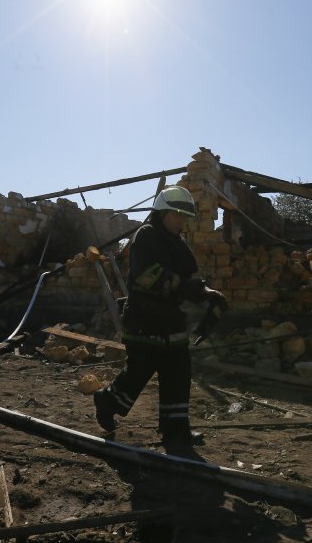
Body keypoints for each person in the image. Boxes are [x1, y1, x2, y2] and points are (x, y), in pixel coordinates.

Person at [93, 185, 226, 454]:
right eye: (176, 215)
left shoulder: (178, 244)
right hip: (144, 319)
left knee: (178, 374)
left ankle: (175, 430)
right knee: (139, 372)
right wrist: (186, 288)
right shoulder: (146, 237)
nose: (180, 220)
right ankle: (106, 401)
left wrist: (208, 294)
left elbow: (187, 281)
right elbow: (147, 275)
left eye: (183, 216)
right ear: (162, 213)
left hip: (172, 321)